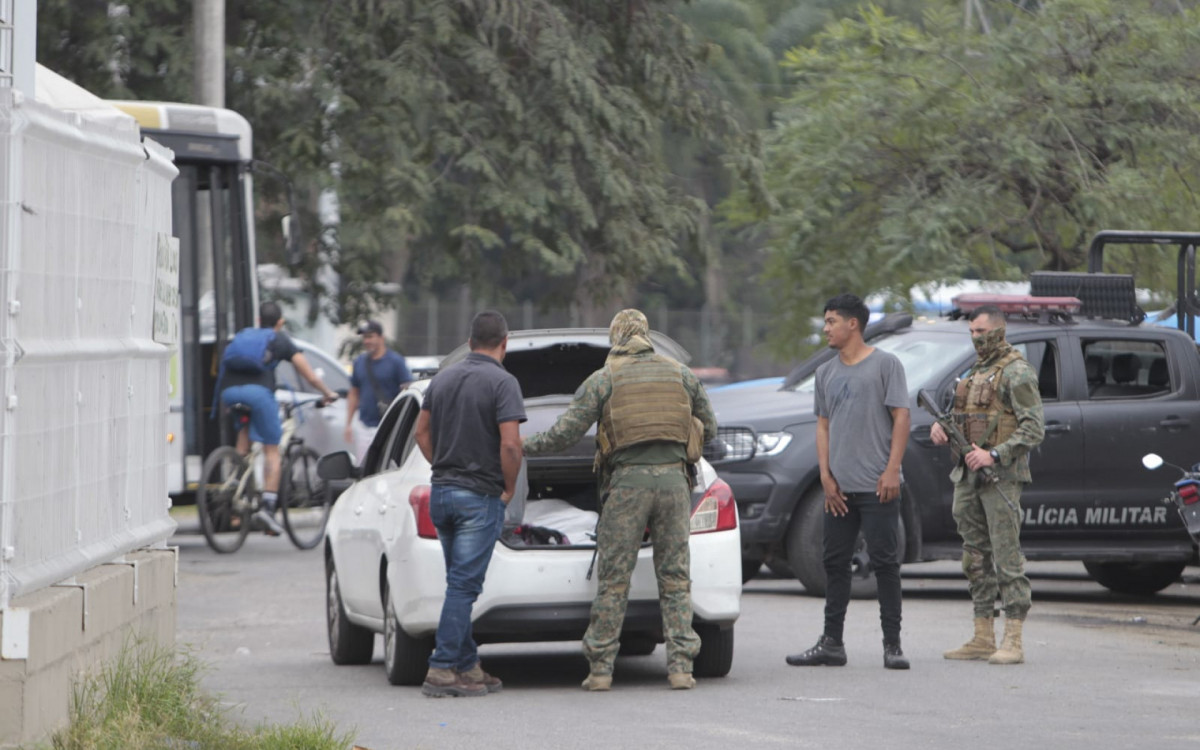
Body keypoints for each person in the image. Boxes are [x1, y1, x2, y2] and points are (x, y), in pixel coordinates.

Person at [522, 309, 717, 692]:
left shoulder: (604, 379)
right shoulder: (681, 374)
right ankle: (681, 669)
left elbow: (563, 435)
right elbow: (708, 427)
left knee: (614, 581)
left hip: (628, 487)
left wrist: (521, 446)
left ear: (616, 338)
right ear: (646, 335)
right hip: (676, 485)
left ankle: (600, 671)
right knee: (675, 579)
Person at [786, 294, 911, 670]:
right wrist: (825, 476)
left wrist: (892, 470)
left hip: (877, 486)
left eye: (830, 321)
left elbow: (901, 418)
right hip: (838, 490)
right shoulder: (825, 373)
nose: (825, 329)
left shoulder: (886, 365)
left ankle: (893, 645)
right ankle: (831, 644)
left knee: (885, 564)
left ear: (852, 324)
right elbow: (822, 427)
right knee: (834, 563)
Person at [414, 310, 525, 698]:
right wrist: (508, 488)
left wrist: (443, 466)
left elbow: (420, 432)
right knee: (463, 586)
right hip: (479, 497)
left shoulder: (442, 379)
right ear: (504, 342)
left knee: (458, 584)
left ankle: (468, 666)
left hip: (442, 494)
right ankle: (442, 668)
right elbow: (511, 444)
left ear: (470, 339)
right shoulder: (503, 382)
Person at [931, 304, 1044, 665]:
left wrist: (994, 455)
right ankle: (983, 635)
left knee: (1007, 557)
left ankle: (1014, 639)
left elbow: (1034, 428)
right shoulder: (976, 372)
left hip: (1000, 478)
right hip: (967, 476)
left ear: (998, 330)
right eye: (972, 333)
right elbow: (966, 416)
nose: (976, 339)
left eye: (981, 332)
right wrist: (943, 428)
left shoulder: (1016, 372)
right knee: (974, 556)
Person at [219, 301, 338, 535]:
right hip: (259, 395)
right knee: (271, 450)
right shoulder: (279, 339)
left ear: (259, 320)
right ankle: (268, 508)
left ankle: (235, 485)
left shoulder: (245, 335)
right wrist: (327, 393)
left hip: (229, 392)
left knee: (245, 439)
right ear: (280, 322)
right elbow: (310, 375)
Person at [344, 319, 413, 461]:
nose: (367, 341)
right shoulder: (359, 362)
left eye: (370, 336)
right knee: (364, 466)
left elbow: (408, 389)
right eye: (364, 337)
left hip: (389, 426)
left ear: (381, 338)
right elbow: (354, 393)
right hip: (365, 425)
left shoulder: (396, 362)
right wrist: (348, 424)